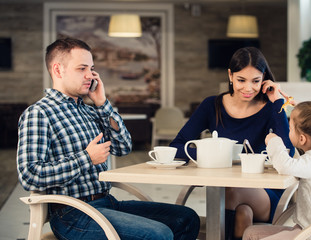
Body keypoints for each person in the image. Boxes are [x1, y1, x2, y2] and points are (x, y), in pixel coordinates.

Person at [17, 37, 200, 240]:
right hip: (72, 214)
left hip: (107, 203)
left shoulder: (89, 110)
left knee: (186, 218)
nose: (90, 75)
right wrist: (87, 158)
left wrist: (103, 103)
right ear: (58, 70)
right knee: (158, 234)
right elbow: (29, 175)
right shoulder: (39, 113)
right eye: (81, 68)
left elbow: (123, 147)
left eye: (92, 68)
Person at [170, 47, 295, 239]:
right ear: (230, 75)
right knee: (243, 213)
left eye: (256, 81)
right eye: (241, 80)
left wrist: (277, 101)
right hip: (229, 194)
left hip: (265, 193)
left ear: (264, 79)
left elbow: (287, 151)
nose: (248, 88)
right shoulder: (211, 106)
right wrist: (213, 158)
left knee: (231, 189)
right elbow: (176, 147)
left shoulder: (270, 108)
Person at [243, 101, 311, 240]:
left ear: (302, 139)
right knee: (250, 233)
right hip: (310, 229)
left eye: (290, 129)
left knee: (251, 235)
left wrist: (274, 141)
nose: (288, 131)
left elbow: (285, 165)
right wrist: (301, 110)